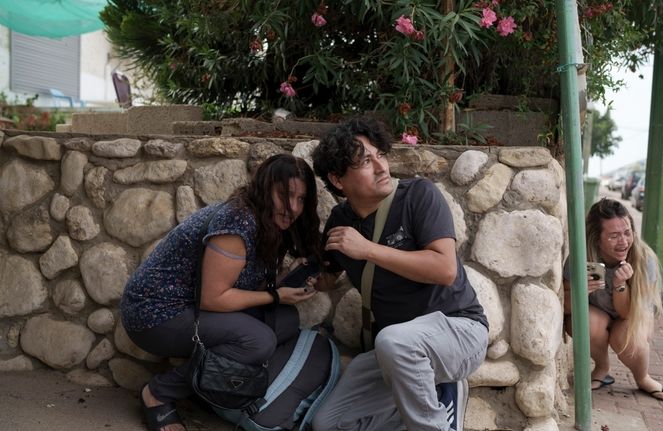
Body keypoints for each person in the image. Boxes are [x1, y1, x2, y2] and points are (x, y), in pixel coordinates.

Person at [120, 154, 323, 431]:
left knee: (285, 320)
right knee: (259, 341)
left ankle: (209, 387)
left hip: (194, 308)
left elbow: (241, 284)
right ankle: (158, 393)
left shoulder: (267, 221)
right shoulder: (238, 221)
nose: (293, 208)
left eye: (301, 199)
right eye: (285, 195)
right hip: (155, 314)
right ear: (265, 188)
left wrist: (284, 281)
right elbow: (213, 298)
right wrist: (276, 296)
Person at [310, 117, 489, 431]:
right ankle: (437, 397)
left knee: (393, 341)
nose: (381, 167)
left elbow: (445, 269)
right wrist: (311, 282)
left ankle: (436, 417)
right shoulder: (340, 221)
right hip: (398, 353)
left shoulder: (419, 195)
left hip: (459, 330)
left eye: (381, 155)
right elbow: (328, 273)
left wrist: (367, 250)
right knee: (329, 423)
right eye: (366, 162)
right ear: (338, 180)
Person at [563, 198, 663, 403]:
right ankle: (601, 367)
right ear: (597, 238)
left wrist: (619, 284)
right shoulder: (581, 258)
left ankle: (643, 377)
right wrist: (581, 293)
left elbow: (628, 315)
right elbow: (565, 308)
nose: (623, 242)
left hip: (631, 316)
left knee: (623, 336)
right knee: (585, 322)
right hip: (598, 315)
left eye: (627, 233)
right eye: (614, 236)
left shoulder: (644, 260)